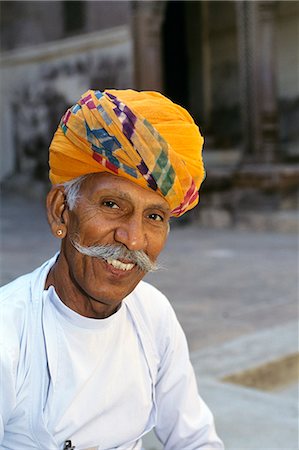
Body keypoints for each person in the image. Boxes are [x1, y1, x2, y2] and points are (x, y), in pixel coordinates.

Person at [0, 89, 224, 450]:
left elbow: (195, 439)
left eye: (154, 216)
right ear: (61, 211)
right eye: (111, 204)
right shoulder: (8, 336)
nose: (134, 239)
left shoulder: (153, 314)